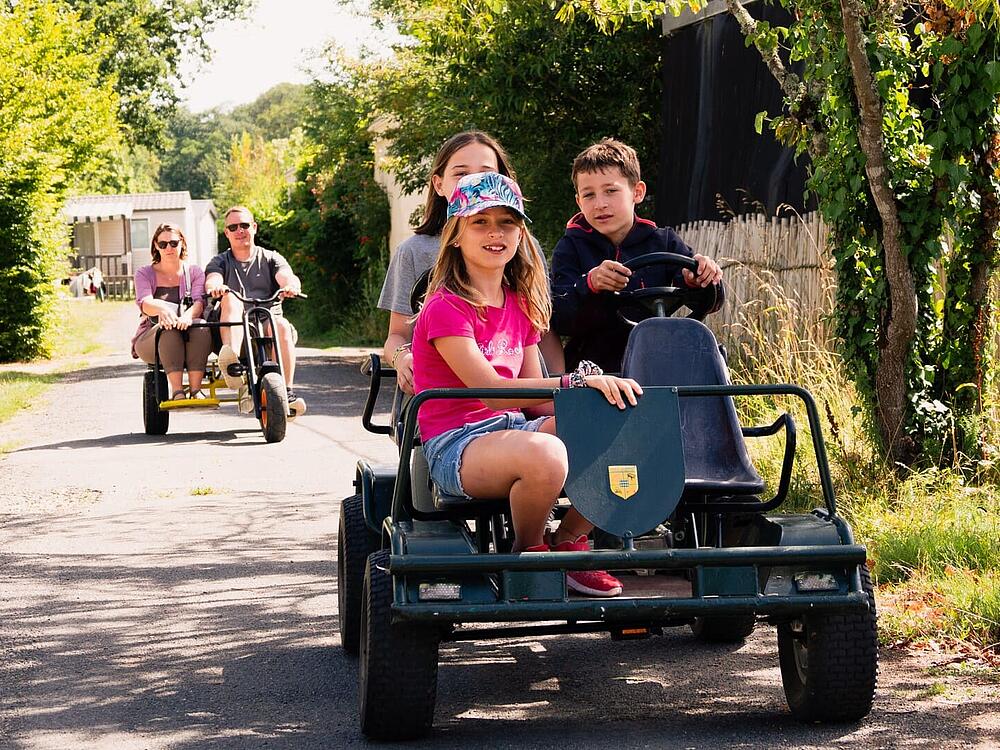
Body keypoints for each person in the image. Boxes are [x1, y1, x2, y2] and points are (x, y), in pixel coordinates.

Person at [412, 171, 643, 598]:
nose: (494, 233)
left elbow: (535, 402)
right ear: (456, 235)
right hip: (458, 444)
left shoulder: (519, 303)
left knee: (626, 428)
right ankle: (529, 551)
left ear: (520, 234)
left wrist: (598, 410)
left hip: (514, 430)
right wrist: (575, 382)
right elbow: (489, 391)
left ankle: (570, 540)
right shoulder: (446, 307)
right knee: (548, 454)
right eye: (479, 222)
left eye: (507, 223)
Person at [379, 130, 564, 395]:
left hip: (516, 393)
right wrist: (402, 359)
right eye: (462, 174)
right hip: (438, 396)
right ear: (439, 183)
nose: (476, 181)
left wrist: (562, 389)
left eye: (487, 173)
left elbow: (537, 329)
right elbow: (397, 334)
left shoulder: (521, 248)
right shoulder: (414, 251)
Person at [551, 138, 725, 373]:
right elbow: (559, 318)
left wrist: (699, 279)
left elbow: (712, 301)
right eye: (589, 195)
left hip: (660, 359)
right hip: (594, 370)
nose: (600, 204)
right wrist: (589, 284)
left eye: (610, 191)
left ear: (637, 192)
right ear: (578, 201)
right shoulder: (570, 247)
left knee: (703, 363)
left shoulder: (663, 241)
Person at [204, 206, 306, 417]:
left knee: (283, 326)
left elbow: (287, 276)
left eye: (244, 225)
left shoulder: (271, 258)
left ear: (254, 228)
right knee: (230, 297)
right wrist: (215, 287)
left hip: (267, 321)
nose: (240, 230)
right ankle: (231, 364)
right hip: (233, 328)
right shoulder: (220, 261)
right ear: (227, 233)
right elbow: (212, 279)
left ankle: (287, 393)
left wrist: (291, 286)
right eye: (234, 227)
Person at [131, 224, 212, 400]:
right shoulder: (144, 273)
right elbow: (144, 302)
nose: (168, 248)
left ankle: (196, 389)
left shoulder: (194, 272)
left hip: (189, 332)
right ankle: (177, 391)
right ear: (155, 246)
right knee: (167, 328)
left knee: (201, 326)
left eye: (173, 243)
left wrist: (187, 317)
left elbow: (199, 302)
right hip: (152, 338)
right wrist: (162, 309)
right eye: (163, 244)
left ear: (182, 243)